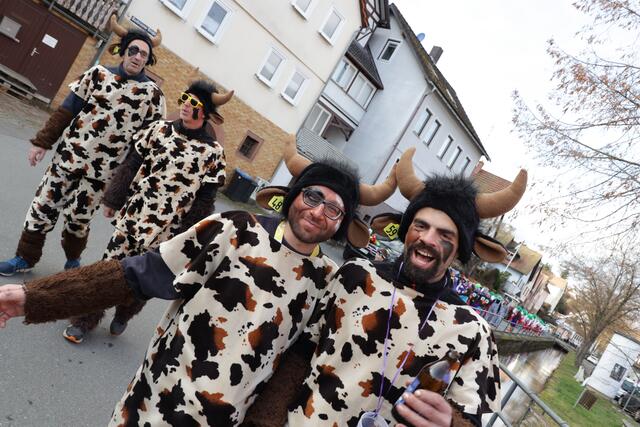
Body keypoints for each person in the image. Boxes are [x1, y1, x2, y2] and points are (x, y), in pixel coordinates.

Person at [0, 140, 398, 425]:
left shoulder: (330, 282)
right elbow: (138, 273)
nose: (318, 211)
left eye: (334, 209)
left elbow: (295, 367)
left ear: (341, 224)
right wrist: (34, 298)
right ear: (292, 196)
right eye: (312, 196)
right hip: (154, 403)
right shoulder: (235, 229)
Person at [241, 147, 528, 427]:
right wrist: (264, 420)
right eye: (420, 226)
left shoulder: (473, 331)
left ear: (459, 248)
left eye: (445, 234)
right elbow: (300, 356)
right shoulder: (354, 276)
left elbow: (469, 417)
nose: (428, 239)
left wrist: (449, 423)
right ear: (406, 230)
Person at [62, 80, 233, 344]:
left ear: (207, 113)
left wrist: (189, 235)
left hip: (167, 230)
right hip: (133, 216)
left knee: (144, 279)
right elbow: (132, 164)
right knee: (108, 268)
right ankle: (85, 320)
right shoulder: (158, 130)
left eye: (194, 102)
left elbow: (206, 199)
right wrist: (113, 199)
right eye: (185, 98)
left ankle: (124, 314)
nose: (186, 105)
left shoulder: (213, 153)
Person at [0, 15, 166, 276]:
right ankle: (24, 258)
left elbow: (146, 145)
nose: (137, 57)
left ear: (148, 60)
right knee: (42, 208)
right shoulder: (97, 74)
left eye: (144, 54)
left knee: (78, 221)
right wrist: (42, 142)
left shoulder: (153, 95)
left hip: (102, 174)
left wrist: (124, 187)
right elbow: (67, 109)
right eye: (133, 50)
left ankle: (72, 261)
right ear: (123, 51)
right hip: (67, 159)